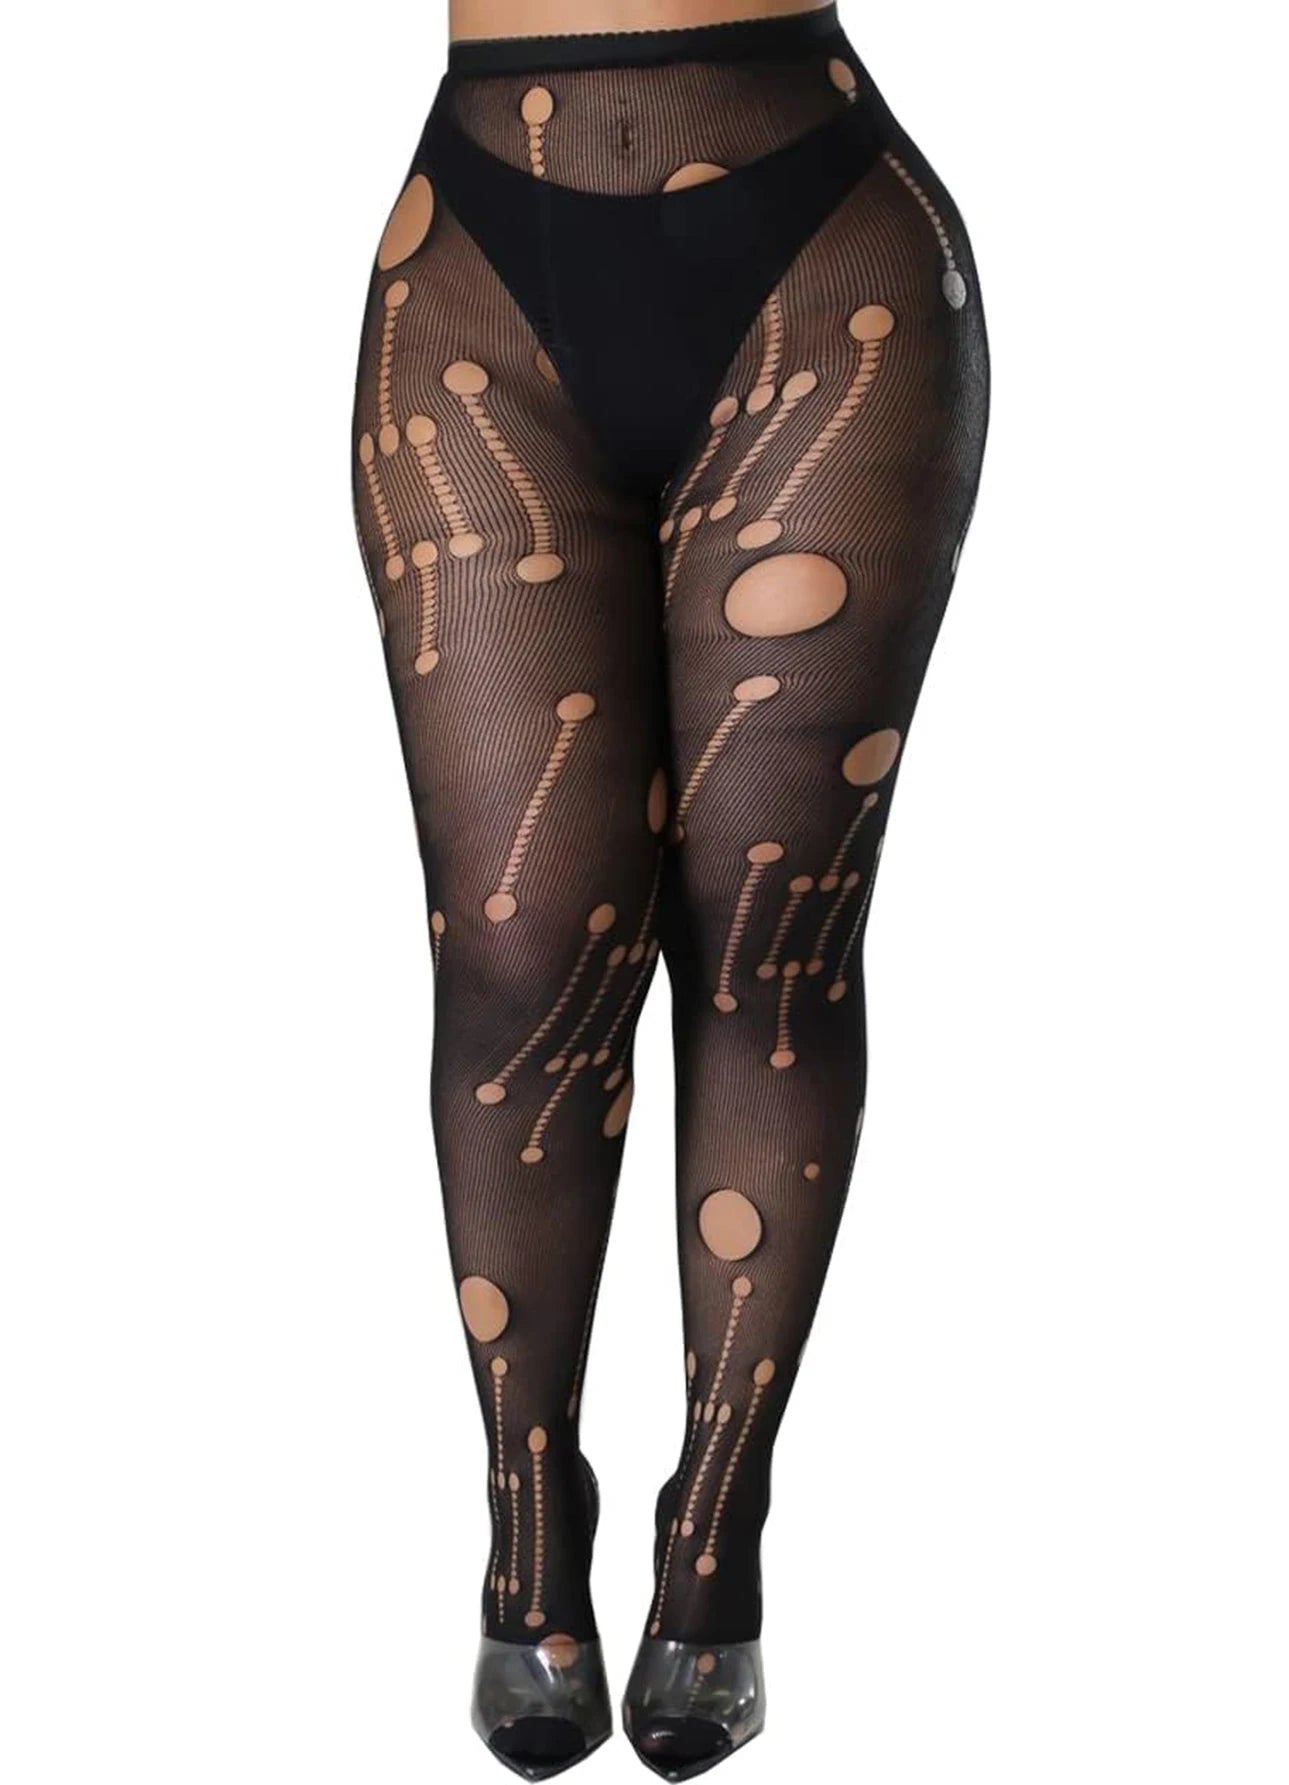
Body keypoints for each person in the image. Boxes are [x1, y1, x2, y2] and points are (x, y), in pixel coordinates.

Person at [350, 1, 988, 1774]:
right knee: (516, 958)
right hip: (477, 260)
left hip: (820, 244)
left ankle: (714, 1531)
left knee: (767, 944)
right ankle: (527, 1508)